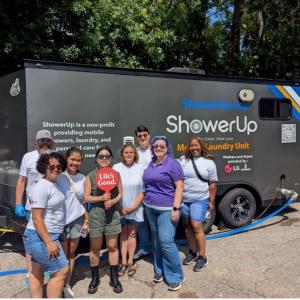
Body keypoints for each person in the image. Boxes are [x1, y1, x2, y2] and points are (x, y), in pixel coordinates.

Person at [22, 152, 69, 298]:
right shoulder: (42, 186)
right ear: (44, 167)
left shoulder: (52, 184)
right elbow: (36, 218)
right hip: (41, 237)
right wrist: (49, 242)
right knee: (61, 271)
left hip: (42, 235)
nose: (56, 169)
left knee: (36, 271)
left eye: (59, 166)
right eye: (51, 166)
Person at [143, 136, 185, 291]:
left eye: (161, 146)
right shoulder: (151, 164)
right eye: (155, 146)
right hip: (150, 208)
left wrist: (176, 208)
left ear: (167, 148)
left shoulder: (173, 164)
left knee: (166, 241)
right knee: (156, 240)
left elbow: (180, 187)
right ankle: (159, 269)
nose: (158, 148)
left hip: (167, 209)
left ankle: (175, 276)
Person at [15, 129, 54, 288]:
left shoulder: (56, 157)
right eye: (41, 140)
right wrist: (18, 203)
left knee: (48, 239)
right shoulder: (28, 157)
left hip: (51, 208)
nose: (44, 143)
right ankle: (29, 273)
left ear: (51, 142)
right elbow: (21, 181)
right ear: (36, 142)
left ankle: (45, 269)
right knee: (32, 241)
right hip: (32, 207)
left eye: (47, 140)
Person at [83, 146, 123, 294]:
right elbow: (86, 197)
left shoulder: (116, 174)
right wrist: (100, 198)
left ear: (111, 158)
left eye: (107, 156)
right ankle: (95, 277)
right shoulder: (90, 176)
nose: (104, 158)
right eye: (101, 156)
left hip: (112, 215)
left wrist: (113, 202)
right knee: (95, 248)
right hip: (96, 216)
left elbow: (120, 193)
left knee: (112, 247)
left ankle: (114, 277)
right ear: (96, 159)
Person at [179, 136, 218, 272]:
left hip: (200, 199)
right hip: (185, 200)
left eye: (196, 145)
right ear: (188, 147)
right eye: (191, 145)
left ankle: (202, 257)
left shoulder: (209, 163)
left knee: (196, 225)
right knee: (188, 225)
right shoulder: (182, 160)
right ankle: (192, 251)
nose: (194, 147)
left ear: (201, 146)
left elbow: (212, 184)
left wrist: (211, 201)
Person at [57, 147, 88, 298]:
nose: (75, 163)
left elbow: (84, 201)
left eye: (78, 160)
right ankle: (57, 282)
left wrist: (86, 219)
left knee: (71, 253)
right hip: (60, 222)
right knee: (61, 255)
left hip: (77, 220)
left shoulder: (83, 178)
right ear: (66, 159)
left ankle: (66, 285)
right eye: (72, 159)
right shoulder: (58, 176)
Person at [113, 143, 144, 277]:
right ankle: (123, 262)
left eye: (131, 152)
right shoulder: (116, 168)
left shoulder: (141, 168)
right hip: (120, 209)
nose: (129, 154)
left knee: (132, 234)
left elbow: (144, 190)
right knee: (123, 235)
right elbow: (113, 190)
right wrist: (120, 208)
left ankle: (131, 261)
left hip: (135, 208)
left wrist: (134, 206)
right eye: (126, 152)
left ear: (135, 154)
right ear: (122, 154)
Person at [133, 125, 152, 261]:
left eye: (144, 135)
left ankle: (159, 248)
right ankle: (144, 248)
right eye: (140, 136)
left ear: (149, 135)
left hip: (153, 191)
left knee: (155, 222)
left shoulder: (156, 150)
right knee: (141, 222)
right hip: (139, 191)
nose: (142, 138)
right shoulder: (135, 152)